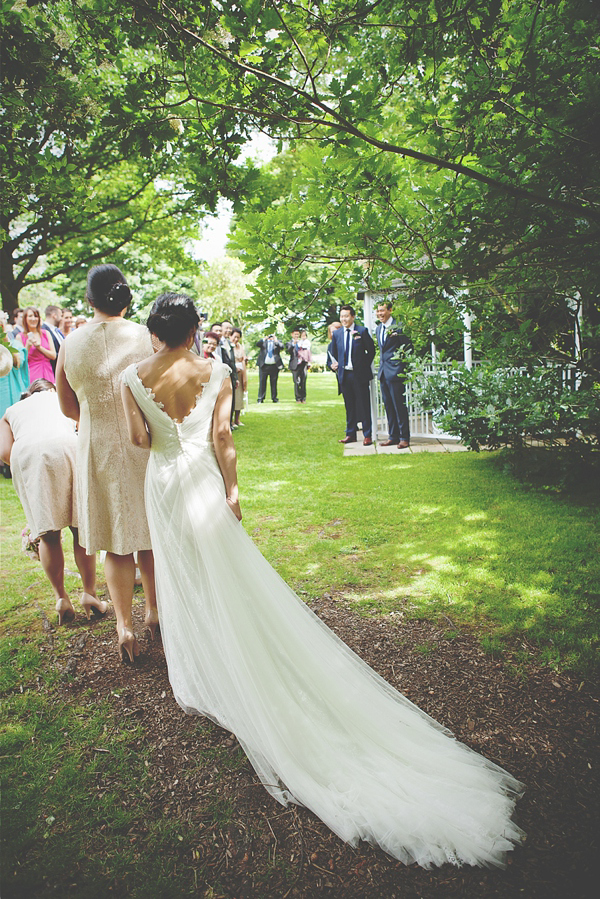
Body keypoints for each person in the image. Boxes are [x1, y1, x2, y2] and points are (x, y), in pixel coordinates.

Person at [120, 293, 524, 869]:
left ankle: (209, 668)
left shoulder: (130, 380)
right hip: (205, 484)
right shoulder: (218, 370)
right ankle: (231, 655)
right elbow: (223, 440)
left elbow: (139, 443)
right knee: (228, 574)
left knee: (185, 574)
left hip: (162, 485)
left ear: (156, 330)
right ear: (194, 329)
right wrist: (233, 493)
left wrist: (159, 431)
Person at [56, 264, 158, 663]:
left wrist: (91, 416)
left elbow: (67, 406)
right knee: (148, 533)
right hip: (143, 444)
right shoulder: (143, 337)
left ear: (88, 300)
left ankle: (123, 625)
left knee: (116, 545)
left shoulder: (70, 343)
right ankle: (153, 611)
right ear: (127, 299)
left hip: (95, 446)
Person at [0, 379, 106, 624]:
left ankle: (61, 598)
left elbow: (5, 454)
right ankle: (90, 594)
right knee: (80, 528)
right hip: (66, 447)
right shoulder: (59, 397)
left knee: (48, 534)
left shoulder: (10, 412)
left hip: (27, 455)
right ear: (51, 389)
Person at [327, 304, 376, 446]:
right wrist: (332, 365)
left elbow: (371, 351)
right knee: (349, 406)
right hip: (345, 375)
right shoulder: (337, 334)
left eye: (346, 316)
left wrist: (362, 365)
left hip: (359, 375)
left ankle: (367, 435)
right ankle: (351, 434)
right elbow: (333, 355)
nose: (344, 319)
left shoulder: (362, 331)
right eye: (342, 316)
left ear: (353, 317)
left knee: (364, 405)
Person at [375, 300, 413, 449]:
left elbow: (408, 348)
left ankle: (404, 437)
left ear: (390, 310)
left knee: (399, 406)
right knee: (389, 406)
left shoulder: (399, 327)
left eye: (382, 310)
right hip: (384, 373)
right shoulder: (378, 329)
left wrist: (401, 367)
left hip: (396, 372)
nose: (380, 314)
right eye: (378, 311)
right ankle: (393, 436)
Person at [19, 307, 56, 382]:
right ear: (25, 319)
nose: (33, 319)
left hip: (48, 373)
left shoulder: (46, 333)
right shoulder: (20, 336)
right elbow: (21, 361)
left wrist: (39, 347)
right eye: (30, 316)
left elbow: (53, 356)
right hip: (32, 374)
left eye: (36, 316)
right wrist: (27, 346)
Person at [256, 334, 284, 403]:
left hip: (274, 366)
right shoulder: (263, 342)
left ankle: (274, 398)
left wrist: (276, 340)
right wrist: (264, 338)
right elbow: (257, 344)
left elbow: (282, 347)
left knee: (274, 383)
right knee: (262, 382)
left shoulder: (277, 342)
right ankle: (260, 398)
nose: (270, 337)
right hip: (264, 366)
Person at [231, 327, 247, 427]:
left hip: (241, 374)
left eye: (238, 337)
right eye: (235, 337)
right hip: (233, 373)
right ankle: (231, 419)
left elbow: (243, 357)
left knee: (239, 396)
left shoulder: (240, 347)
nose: (236, 339)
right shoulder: (229, 346)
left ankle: (237, 419)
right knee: (233, 396)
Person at [286, 328, 308, 403]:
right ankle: (298, 398)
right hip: (294, 365)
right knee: (297, 382)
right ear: (292, 335)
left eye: (298, 334)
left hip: (303, 364)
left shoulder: (303, 342)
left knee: (303, 381)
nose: (296, 336)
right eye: (295, 334)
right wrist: (294, 344)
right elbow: (288, 351)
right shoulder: (289, 343)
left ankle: (303, 398)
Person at [42, 304, 65, 371]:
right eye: (61, 316)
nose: (61, 319)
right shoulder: (43, 330)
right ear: (54, 315)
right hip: (52, 369)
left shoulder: (57, 330)